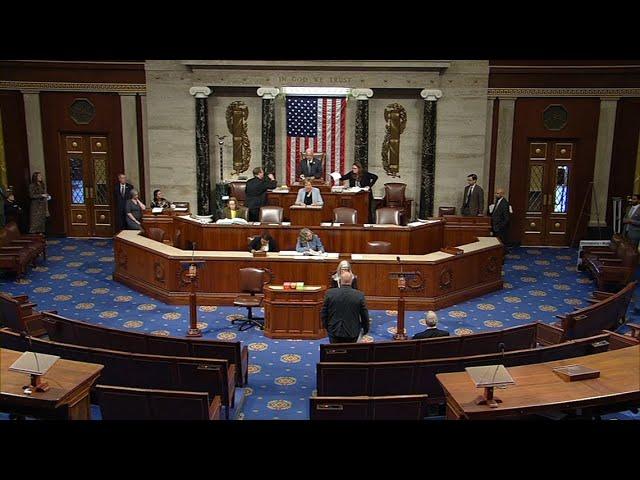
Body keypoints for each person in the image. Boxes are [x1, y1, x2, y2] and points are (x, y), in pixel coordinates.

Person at [321, 270, 370, 344]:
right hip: (352, 331)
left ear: (340, 280)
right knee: (350, 353)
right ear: (352, 281)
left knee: (335, 352)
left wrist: (326, 326)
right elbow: (364, 315)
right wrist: (366, 329)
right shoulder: (359, 295)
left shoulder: (330, 293)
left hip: (334, 330)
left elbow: (324, 313)